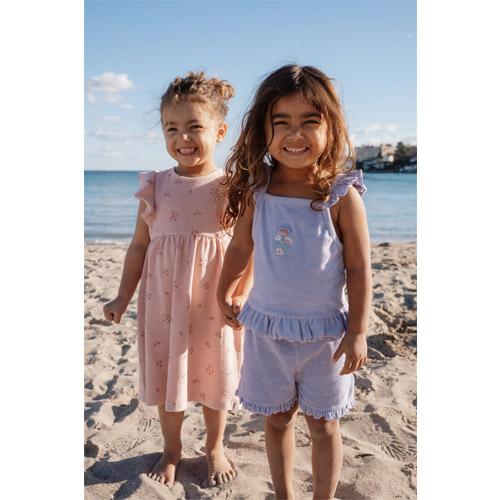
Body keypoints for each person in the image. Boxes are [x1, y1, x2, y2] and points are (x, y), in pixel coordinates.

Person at [217, 64, 371, 500]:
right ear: (263, 128)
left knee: (323, 425)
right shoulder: (259, 191)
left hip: (326, 337)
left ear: (330, 126)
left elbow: (359, 268)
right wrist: (223, 290)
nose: (294, 134)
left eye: (309, 121)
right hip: (267, 331)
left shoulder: (341, 195)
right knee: (277, 419)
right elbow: (239, 248)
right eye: (281, 122)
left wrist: (358, 331)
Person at [103, 71, 251, 488]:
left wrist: (241, 293)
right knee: (170, 373)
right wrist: (121, 297)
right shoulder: (155, 186)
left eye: (194, 127)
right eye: (172, 128)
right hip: (165, 301)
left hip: (214, 301)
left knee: (215, 373)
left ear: (220, 131)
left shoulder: (231, 186)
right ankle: (172, 449)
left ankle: (215, 447)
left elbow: (248, 247)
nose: (182, 137)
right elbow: (139, 246)